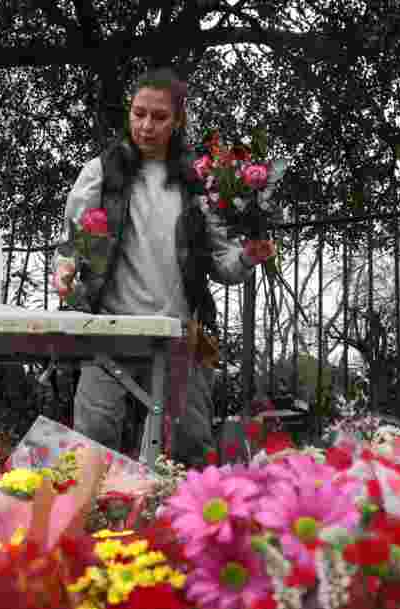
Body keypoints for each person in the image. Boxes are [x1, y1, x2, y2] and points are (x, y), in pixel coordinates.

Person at [53, 67, 276, 467]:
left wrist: (247, 257)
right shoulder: (100, 173)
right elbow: (70, 247)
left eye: (159, 117)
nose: (146, 125)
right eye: (139, 113)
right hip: (110, 331)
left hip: (177, 336)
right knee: (93, 444)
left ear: (178, 121)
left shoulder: (198, 183)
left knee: (191, 448)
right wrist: (65, 273)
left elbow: (222, 265)